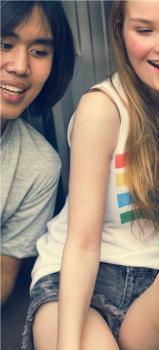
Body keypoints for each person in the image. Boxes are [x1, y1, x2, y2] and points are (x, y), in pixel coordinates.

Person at [23, 1, 159, 350]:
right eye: (145, 30)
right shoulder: (104, 108)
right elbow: (83, 244)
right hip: (80, 283)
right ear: (120, 33)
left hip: (158, 288)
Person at [1, 1, 75, 305]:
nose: (20, 66)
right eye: (5, 44)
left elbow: (5, 269)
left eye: (39, 52)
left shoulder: (38, 165)